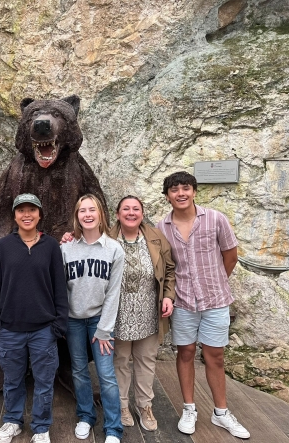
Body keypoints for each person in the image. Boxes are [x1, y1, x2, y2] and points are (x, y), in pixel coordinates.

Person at [156, 171, 249, 439]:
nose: (181, 194)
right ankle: (189, 408)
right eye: (174, 190)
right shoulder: (163, 228)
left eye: (186, 188)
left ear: (194, 191)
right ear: (167, 196)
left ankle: (221, 412)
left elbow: (230, 256)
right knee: (185, 352)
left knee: (215, 355)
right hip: (183, 300)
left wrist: (214, 282)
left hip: (215, 300)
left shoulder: (216, 219)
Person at [0, 193, 68, 443]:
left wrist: (58, 324)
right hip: (10, 328)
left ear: (39, 214)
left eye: (31, 210)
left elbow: (59, 287)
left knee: (45, 382)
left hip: (44, 329)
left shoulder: (51, 246)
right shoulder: (3, 246)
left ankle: (41, 427)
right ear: (14, 215)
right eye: (21, 210)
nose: (26, 214)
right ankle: (12, 421)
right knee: (12, 380)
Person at [60, 194, 125, 443]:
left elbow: (114, 292)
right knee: (78, 371)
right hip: (74, 321)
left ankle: (113, 428)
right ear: (77, 216)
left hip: (100, 321)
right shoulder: (66, 248)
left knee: (106, 374)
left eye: (92, 210)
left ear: (100, 214)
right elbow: (60, 289)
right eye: (82, 211)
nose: (87, 215)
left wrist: (104, 329)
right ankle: (86, 416)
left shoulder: (113, 249)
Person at [108, 196, 175, 431]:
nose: (131, 212)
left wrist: (168, 295)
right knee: (120, 361)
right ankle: (122, 405)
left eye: (136, 208)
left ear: (142, 213)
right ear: (117, 214)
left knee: (146, 360)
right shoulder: (106, 237)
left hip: (149, 309)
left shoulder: (155, 237)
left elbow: (169, 270)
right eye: (125, 208)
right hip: (118, 311)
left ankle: (145, 405)